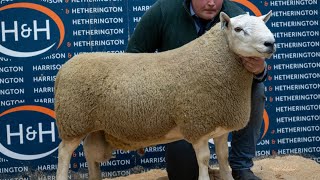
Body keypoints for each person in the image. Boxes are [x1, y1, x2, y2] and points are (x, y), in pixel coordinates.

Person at [126, 0, 267, 179]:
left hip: (222, 94)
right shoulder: (163, 10)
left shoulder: (236, 15)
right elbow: (133, 56)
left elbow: (258, 57)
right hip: (180, 103)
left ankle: (241, 166)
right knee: (184, 175)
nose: (211, 3)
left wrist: (260, 69)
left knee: (257, 90)